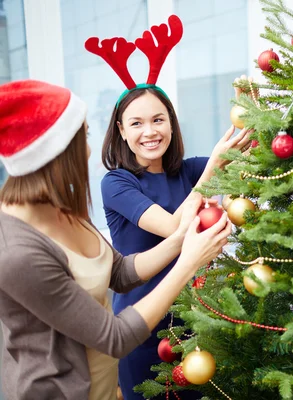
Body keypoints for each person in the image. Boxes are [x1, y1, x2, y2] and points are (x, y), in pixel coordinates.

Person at [0, 79, 232, 399]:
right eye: (82, 136)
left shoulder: (61, 210)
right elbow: (114, 336)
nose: (89, 148)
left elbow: (119, 272)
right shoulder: (17, 253)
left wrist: (181, 240)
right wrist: (190, 259)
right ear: (56, 152)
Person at [87, 14, 252, 399]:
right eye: (138, 123)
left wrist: (250, 112)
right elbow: (175, 229)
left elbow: (244, 170)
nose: (150, 131)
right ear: (122, 133)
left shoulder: (188, 171)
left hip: (198, 321)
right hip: (143, 323)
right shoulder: (116, 182)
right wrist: (215, 165)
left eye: (159, 119)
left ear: (172, 125)